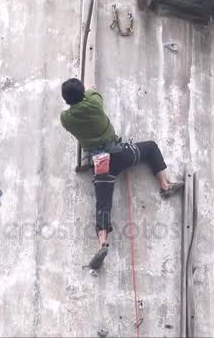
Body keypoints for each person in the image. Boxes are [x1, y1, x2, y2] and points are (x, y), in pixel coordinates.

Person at [60, 78, 184, 270]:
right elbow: (93, 91)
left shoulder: (65, 118)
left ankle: (102, 243)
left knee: (103, 204)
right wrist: (88, 88)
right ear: (82, 92)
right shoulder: (93, 102)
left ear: (66, 99)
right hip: (118, 154)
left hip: (99, 162)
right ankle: (165, 185)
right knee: (150, 148)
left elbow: (74, 109)